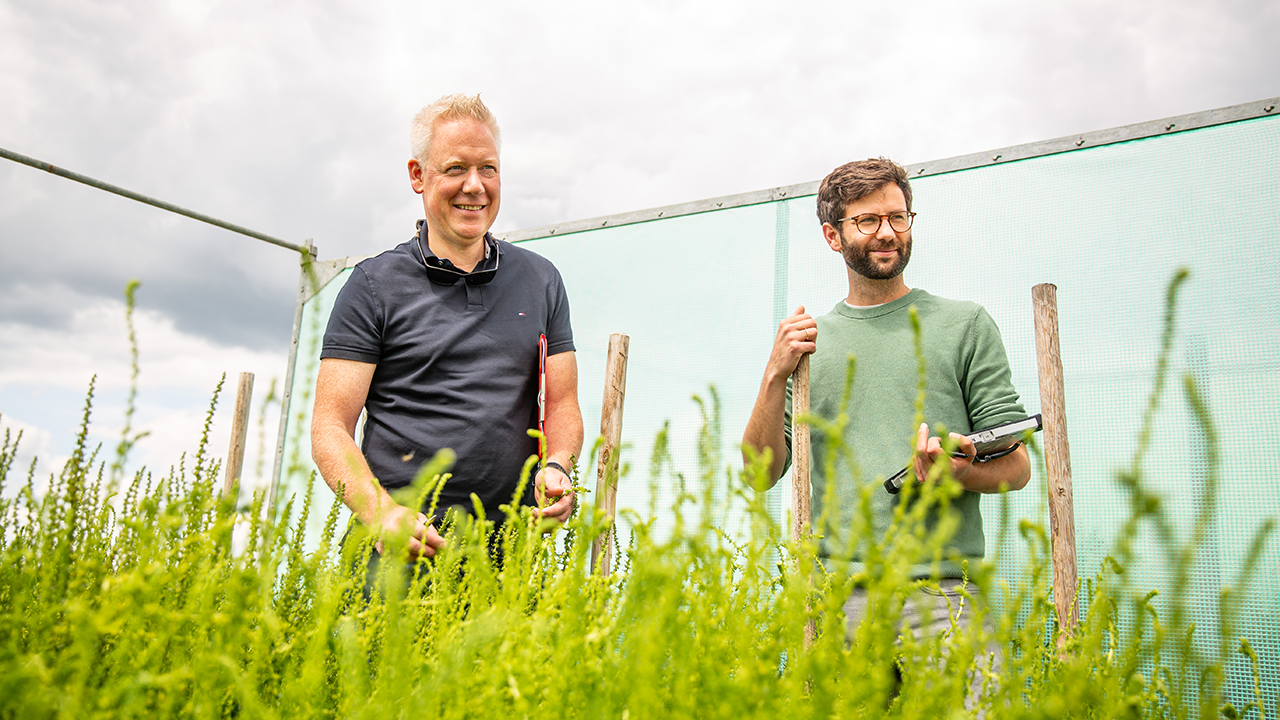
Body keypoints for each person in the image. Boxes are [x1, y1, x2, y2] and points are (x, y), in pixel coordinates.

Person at [741, 157, 1030, 682]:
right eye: (867, 221)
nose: (887, 233)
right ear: (833, 236)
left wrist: (959, 471)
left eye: (898, 217)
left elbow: (1017, 467)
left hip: (944, 597)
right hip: (836, 599)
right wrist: (774, 376)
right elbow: (759, 473)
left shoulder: (964, 325)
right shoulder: (808, 345)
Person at [311, 94, 583, 565]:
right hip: (400, 555)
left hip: (510, 558)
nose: (475, 186)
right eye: (456, 168)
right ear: (418, 176)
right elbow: (329, 425)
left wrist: (558, 464)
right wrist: (380, 513)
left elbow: (562, 402)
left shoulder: (541, 280)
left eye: (489, 169)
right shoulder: (373, 286)